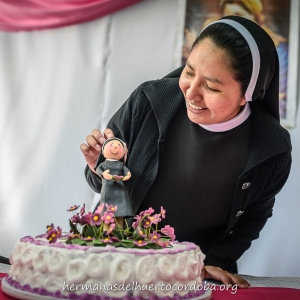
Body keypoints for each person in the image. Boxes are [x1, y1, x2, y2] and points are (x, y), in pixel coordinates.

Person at [80, 16, 292, 287]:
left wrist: (216, 261)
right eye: (189, 72)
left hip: (192, 277)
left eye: (212, 87)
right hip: (112, 260)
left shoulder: (271, 148)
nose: (191, 93)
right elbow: (102, 183)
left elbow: (255, 213)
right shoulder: (148, 101)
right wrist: (99, 167)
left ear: (247, 93)